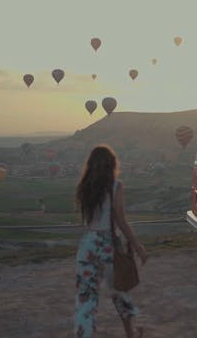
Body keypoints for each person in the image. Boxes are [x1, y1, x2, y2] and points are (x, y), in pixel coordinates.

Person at [74, 145, 148, 338]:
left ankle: (83, 334)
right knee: (119, 291)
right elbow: (121, 221)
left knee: (86, 298)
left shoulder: (84, 187)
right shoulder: (116, 186)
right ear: (112, 165)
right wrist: (138, 246)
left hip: (87, 244)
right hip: (106, 245)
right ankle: (130, 333)